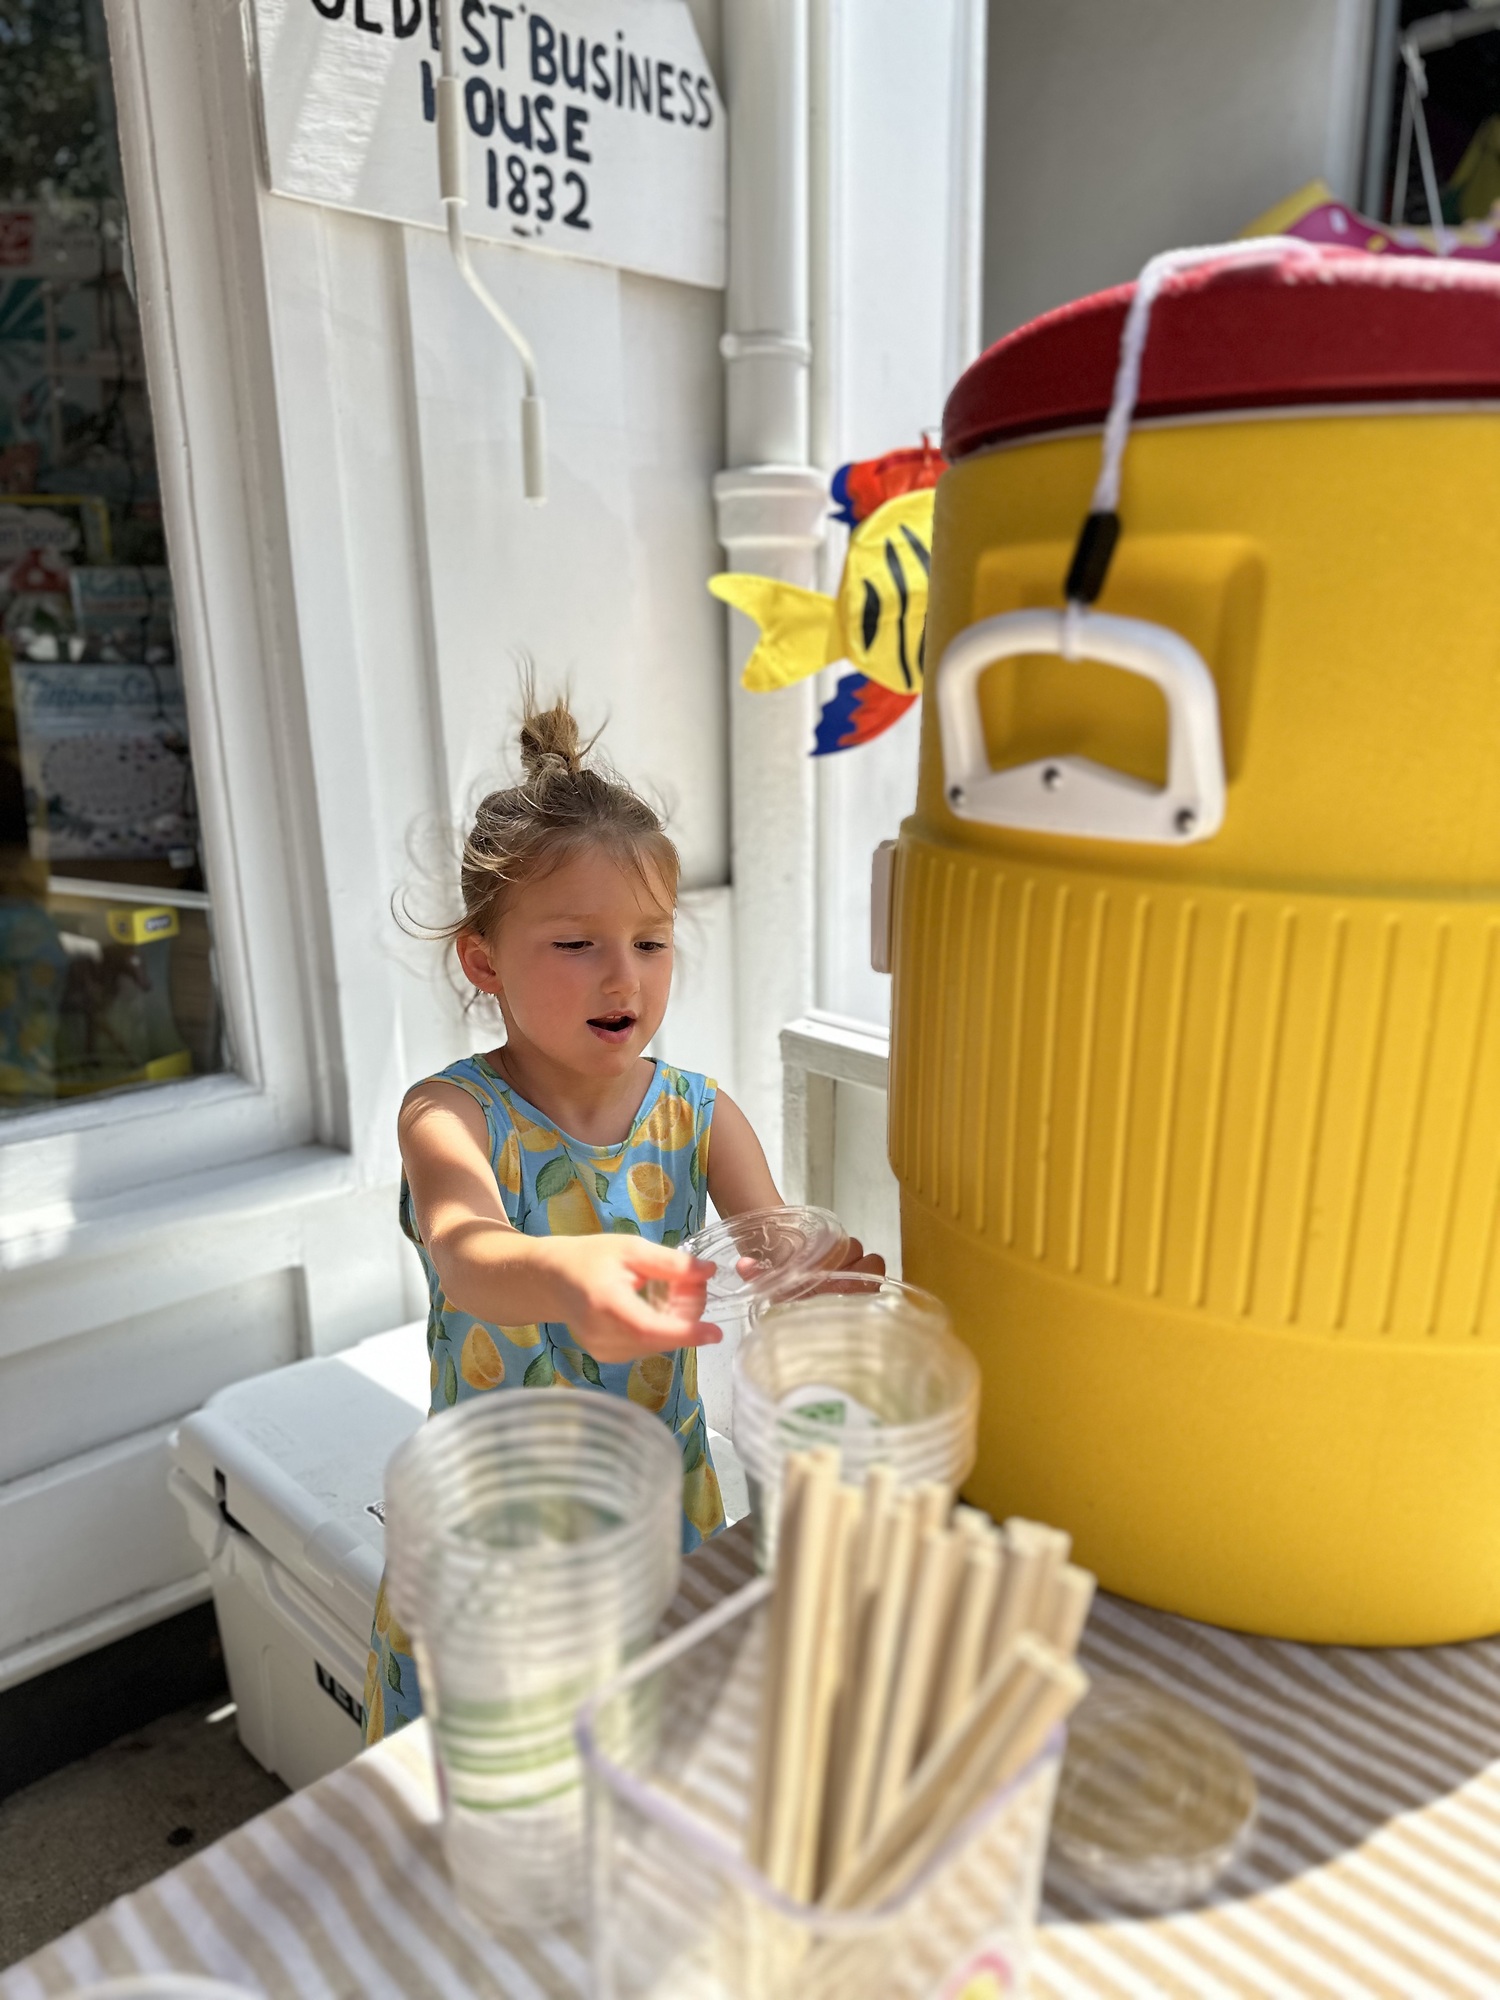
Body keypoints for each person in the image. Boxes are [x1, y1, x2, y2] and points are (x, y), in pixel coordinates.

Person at [363, 690, 880, 1740]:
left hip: (662, 1508)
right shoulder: (452, 1113)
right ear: (483, 960)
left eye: (651, 942)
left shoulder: (697, 1114)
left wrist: (805, 1278)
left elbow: (766, 1240)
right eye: (577, 943)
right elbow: (469, 1250)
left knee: (651, 1757)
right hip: (496, 1537)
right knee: (497, 1790)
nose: (624, 975)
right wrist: (564, 1275)